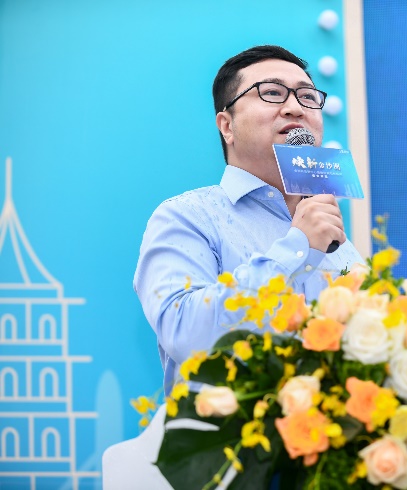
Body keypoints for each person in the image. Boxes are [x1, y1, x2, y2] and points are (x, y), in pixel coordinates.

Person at [134, 45, 364, 395]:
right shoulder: (188, 217)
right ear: (226, 125)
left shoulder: (335, 237)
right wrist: (299, 247)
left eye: (307, 97)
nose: (295, 108)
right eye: (271, 93)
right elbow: (184, 333)